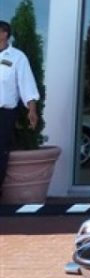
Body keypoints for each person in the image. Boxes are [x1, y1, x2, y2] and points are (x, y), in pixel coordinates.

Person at [0, 20, 40, 190]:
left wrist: (32, 109)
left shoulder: (17, 57)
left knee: (1, 151)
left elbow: (26, 84)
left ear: (5, 34)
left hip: (4, 113)